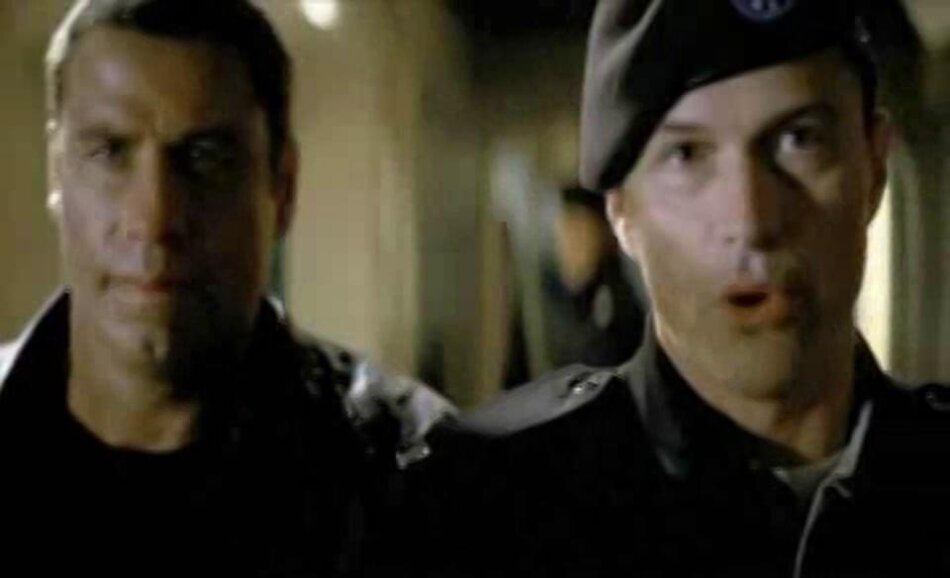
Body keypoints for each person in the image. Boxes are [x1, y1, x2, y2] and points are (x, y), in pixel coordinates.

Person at [402, 0, 950, 576]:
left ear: (874, 167)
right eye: (687, 155)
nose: (751, 219)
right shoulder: (485, 501)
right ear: (622, 211)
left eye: (800, 139)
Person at [0, 1, 451, 576]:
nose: (154, 217)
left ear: (282, 188)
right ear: (56, 175)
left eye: (205, 157)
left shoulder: (419, 478)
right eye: (110, 153)